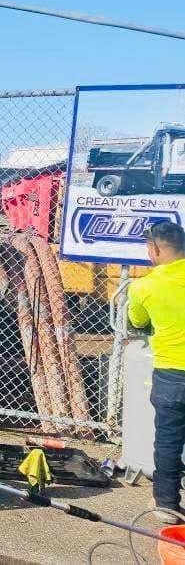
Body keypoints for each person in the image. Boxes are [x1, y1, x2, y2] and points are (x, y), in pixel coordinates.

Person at [128, 221, 185, 522]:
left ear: (156, 249)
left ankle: (166, 505)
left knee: (168, 442)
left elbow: (137, 322)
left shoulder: (144, 286)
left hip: (171, 376)